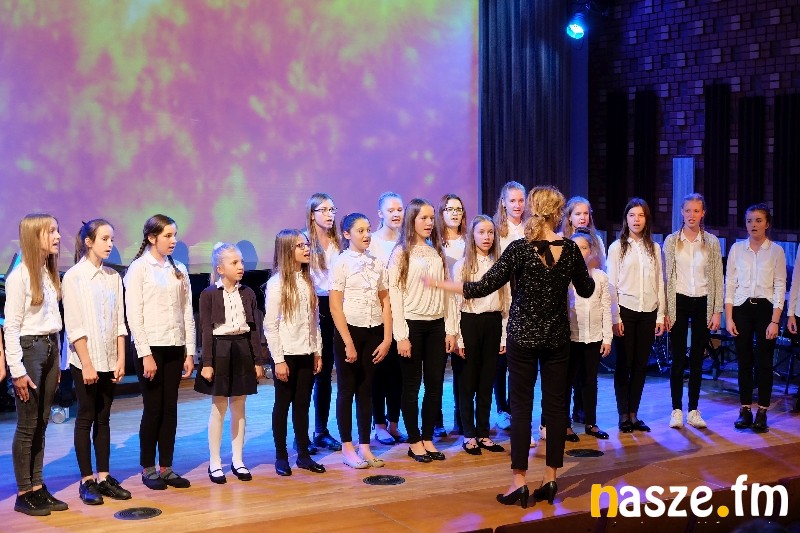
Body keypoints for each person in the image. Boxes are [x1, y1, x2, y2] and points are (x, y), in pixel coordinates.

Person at [431, 186, 595, 508]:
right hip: (556, 338)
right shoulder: (571, 249)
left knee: (521, 407)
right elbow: (586, 290)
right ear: (558, 213)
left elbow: (482, 287)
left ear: (533, 209)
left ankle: (519, 481)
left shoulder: (520, 248)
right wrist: (584, 262)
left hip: (523, 337)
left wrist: (443, 284)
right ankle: (550, 478)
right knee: (556, 408)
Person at [124, 214, 196, 490]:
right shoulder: (139, 269)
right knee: (153, 408)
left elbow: (186, 313)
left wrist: (190, 352)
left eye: (174, 235)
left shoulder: (178, 269)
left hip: (175, 346)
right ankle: (148, 467)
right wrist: (145, 354)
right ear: (152, 238)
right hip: (150, 348)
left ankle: (166, 466)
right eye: (167, 235)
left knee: (170, 409)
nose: (173, 240)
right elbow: (134, 315)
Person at [63, 219, 131, 505]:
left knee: (104, 417)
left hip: (109, 358)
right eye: (104, 239)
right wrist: (87, 364)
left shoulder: (113, 277)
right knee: (86, 415)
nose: (110, 244)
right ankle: (86, 480)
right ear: (88, 241)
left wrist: (121, 357)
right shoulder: (74, 277)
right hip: (85, 361)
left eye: (112, 239)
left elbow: (119, 322)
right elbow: (74, 325)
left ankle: (104, 476)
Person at [5, 214, 69, 515]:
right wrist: (17, 371)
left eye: (57, 230)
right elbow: (11, 328)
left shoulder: (47, 271)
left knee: (42, 423)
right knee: (28, 425)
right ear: (35, 236)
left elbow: (52, 321)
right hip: (29, 350)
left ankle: (38, 486)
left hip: (49, 348)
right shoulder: (19, 276)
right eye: (50, 231)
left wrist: (57, 359)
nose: (58, 236)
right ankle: (23, 492)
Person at [388, 198, 457, 463]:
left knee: (435, 384)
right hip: (412, 325)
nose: (429, 223)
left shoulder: (435, 251)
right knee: (411, 385)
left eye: (431, 218)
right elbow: (395, 294)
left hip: (437, 325)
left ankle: (428, 437)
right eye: (423, 218)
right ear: (412, 220)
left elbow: (446, 291)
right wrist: (401, 335)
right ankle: (414, 440)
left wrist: (450, 329)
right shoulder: (401, 252)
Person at [195, 243, 267, 484]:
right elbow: (206, 330)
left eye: (241, 262)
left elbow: (253, 329)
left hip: (242, 348)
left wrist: (257, 360)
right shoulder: (209, 294)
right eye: (234, 263)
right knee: (219, 407)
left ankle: (238, 460)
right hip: (220, 349)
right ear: (220, 268)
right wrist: (207, 362)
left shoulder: (247, 293)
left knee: (239, 406)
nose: (240, 267)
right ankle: (215, 462)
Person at [329, 213, 392, 468]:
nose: (366, 235)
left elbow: (385, 301)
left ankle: (365, 446)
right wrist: (348, 342)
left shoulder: (377, 262)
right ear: (347, 234)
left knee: (367, 390)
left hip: (373, 330)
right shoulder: (341, 262)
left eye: (368, 230)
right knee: (347, 389)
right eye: (360, 231)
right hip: (350, 332)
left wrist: (387, 337)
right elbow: (335, 305)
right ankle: (347, 448)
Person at [264, 229, 326, 476]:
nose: (307, 249)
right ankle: (281, 456)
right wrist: (278, 360)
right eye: (300, 245)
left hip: (307, 351)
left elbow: (314, 321)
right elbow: (271, 325)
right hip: (286, 353)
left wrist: (317, 351)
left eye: (307, 244)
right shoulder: (277, 283)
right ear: (287, 250)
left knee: (302, 405)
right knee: (283, 404)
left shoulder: (308, 280)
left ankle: (303, 454)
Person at [663, 194, 724, 429]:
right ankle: (676, 409)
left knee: (698, 358)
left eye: (696, 211)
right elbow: (666, 278)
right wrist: (666, 310)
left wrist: (717, 311)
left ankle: (693, 410)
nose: (691, 215)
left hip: (703, 302)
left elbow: (718, 278)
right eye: (688, 210)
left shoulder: (712, 242)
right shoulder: (671, 241)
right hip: (678, 301)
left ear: (702, 213)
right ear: (682, 212)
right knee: (678, 357)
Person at [607, 198, 667, 433]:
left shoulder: (654, 248)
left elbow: (660, 283)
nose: (636, 220)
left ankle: (634, 414)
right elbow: (611, 285)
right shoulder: (617, 247)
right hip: (626, 311)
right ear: (626, 219)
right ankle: (623, 414)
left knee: (641, 365)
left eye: (641, 215)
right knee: (624, 364)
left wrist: (660, 316)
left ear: (646, 219)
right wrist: (615, 317)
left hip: (648, 311)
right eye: (632, 215)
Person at [725, 203, 786, 432]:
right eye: (749, 220)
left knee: (764, 361)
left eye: (758, 220)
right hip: (741, 308)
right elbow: (730, 284)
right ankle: (745, 409)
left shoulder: (776, 251)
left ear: (767, 224)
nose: (753, 225)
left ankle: (762, 411)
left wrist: (775, 321)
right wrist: (729, 318)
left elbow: (780, 286)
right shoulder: (736, 249)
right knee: (743, 361)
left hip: (765, 310)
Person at [452, 215, 509, 456]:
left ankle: (484, 433)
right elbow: (455, 303)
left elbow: (506, 303)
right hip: (469, 323)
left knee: (487, 382)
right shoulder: (462, 266)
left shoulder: (500, 265)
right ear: (472, 235)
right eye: (481, 232)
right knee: (468, 382)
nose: (487, 237)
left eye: (490, 232)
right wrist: (458, 338)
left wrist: (504, 336)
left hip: (493, 323)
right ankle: (469, 435)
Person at [304, 193, 343, 453]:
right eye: (324, 210)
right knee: (309, 373)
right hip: (312, 307)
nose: (330, 214)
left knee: (326, 373)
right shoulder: (304, 241)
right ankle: (301, 433)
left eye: (332, 210)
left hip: (335, 306)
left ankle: (321, 431)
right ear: (312, 214)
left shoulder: (338, 242)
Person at [566, 229, 613, 440]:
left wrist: (607, 338)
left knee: (590, 381)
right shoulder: (565, 277)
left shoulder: (600, 277)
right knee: (567, 381)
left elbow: (605, 308)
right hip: (570, 337)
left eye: (583, 248)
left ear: (591, 250)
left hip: (593, 337)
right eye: (575, 248)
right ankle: (565, 424)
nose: (579, 252)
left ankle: (591, 422)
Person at [368, 192, 406, 445]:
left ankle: (394, 423)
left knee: (399, 373)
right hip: (378, 314)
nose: (396, 214)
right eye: (390, 210)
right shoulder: (371, 242)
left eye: (399, 209)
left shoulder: (407, 241)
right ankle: (379, 424)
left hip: (403, 313)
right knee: (379, 372)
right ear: (380, 213)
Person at [491, 181, 526, 434]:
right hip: (502, 296)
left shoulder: (530, 228)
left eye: (521, 200)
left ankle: (516, 408)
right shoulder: (496, 230)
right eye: (512, 200)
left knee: (519, 360)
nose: (517, 205)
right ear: (503, 202)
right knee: (500, 359)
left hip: (524, 298)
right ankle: (501, 409)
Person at [435, 193, 467, 437]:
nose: (455, 213)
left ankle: (461, 418)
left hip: (464, 310)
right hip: (440, 309)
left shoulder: (469, 241)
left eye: (458, 209)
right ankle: (435, 421)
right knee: (436, 370)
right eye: (449, 209)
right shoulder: (434, 243)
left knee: (461, 369)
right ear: (441, 213)